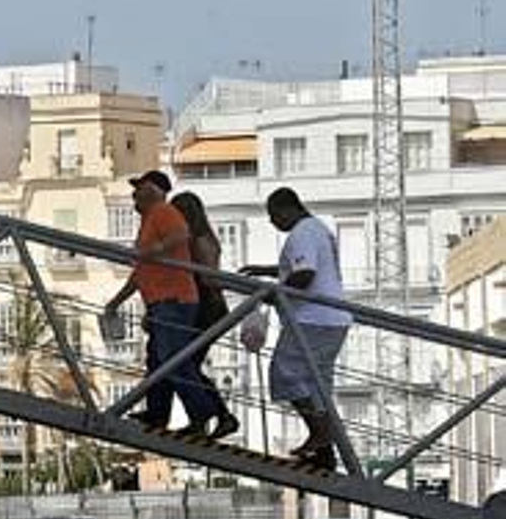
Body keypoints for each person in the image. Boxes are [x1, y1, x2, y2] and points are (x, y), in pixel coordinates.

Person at [241, 187, 353, 470]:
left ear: (286, 208)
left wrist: (273, 293)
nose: (273, 222)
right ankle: (325, 452)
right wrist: (268, 271)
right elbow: (299, 267)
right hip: (332, 318)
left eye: (274, 215)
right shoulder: (318, 229)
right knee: (317, 386)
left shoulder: (302, 232)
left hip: (312, 318)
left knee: (285, 372)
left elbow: (304, 274)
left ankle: (319, 434)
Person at [102, 170, 220, 435]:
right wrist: (117, 300)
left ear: (153, 191)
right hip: (160, 301)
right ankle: (157, 414)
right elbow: (141, 272)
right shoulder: (149, 220)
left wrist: (154, 251)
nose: (133, 194)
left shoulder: (163, 212)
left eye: (138, 188)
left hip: (174, 300)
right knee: (158, 361)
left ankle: (201, 413)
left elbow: (181, 235)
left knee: (172, 360)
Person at [169, 191, 241, 440]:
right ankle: (213, 417)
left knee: (183, 363)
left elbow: (209, 277)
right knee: (187, 364)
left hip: (208, 308)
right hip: (203, 306)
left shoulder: (200, 240)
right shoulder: (196, 239)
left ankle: (213, 417)